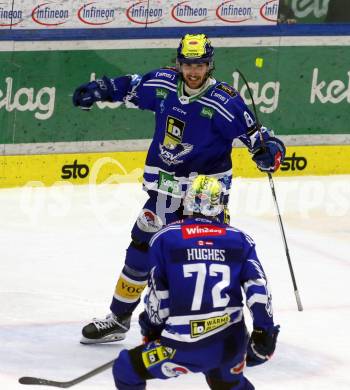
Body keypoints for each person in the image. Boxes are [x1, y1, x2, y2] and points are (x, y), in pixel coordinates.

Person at [72, 33, 285, 344]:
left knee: (207, 256)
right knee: (140, 250)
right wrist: (100, 89)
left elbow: (260, 138)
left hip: (206, 195)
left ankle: (214, 326)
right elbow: (130, 86)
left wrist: (270, 152)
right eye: (187, 64)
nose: (193, 71)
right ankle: (119, 319)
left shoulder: (225, 101)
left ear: (210, 65)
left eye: (200, 65)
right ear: (179, 63)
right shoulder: (163, 83)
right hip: (165, 189)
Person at [112, 175, 280, 390]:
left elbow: (158, 296)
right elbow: (258, 289)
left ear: (187, 202)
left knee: (126, 368)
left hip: (181, 346)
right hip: (230, 345)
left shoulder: (165, 238)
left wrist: (152, 331)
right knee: (227, 382)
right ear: (220, 205)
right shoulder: (240, 239)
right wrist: (264, 331)